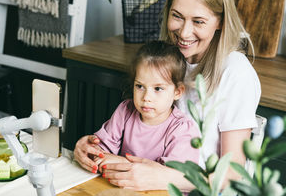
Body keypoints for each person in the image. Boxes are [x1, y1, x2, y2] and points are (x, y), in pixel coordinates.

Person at [74, 0, 261, 191]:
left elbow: (231, 176)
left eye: (199, 21)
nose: (184, 33)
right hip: (140, 186)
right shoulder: (167, 59)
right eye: (177, 16)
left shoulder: (236, 72)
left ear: (220, 22)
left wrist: (163, 178)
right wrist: (86, 147)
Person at [75, 40, 200, 174]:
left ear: (177, 92)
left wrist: (123, 162)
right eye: (140, 86)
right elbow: (101, 150)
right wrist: (95, 152)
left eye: (158, 88)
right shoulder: (125, 110)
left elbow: (170, 176)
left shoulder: (182, 129)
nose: (146, 97)